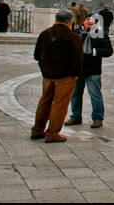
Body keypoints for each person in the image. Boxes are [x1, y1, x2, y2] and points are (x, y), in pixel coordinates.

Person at [31, 9, 83, 143]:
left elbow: (37, 55)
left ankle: (37, 130)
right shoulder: (72, 37)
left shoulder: (44, 34)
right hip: (65, 76)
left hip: (47, 75)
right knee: (60, 104)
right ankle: (52, 133)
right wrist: (76, 74)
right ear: (71, 21)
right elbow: (77, 59)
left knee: (44, 101)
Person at [68, 13, 112, 129]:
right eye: (88, 19)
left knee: (95, 95)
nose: (89, 22)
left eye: (92, 20)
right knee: (75, 94)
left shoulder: (100, 34)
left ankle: (97, 118)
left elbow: (109, 51)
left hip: (93, 69)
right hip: (78, 69)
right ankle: (75, 116)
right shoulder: (77, 32)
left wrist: (95, 52)